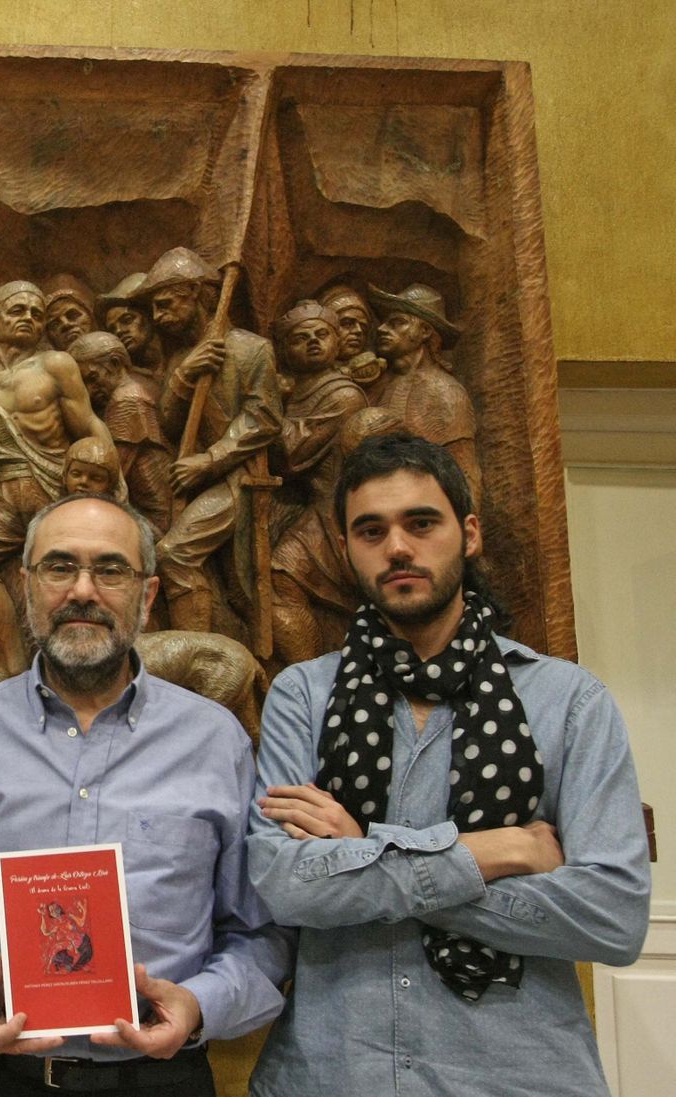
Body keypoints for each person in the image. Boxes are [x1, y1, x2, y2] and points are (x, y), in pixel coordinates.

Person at [248, 432, 650, 1096]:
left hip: (517, 1076)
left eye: (421, 522)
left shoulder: (569, 700)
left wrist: (363, 851)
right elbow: (289, 884)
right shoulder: (304, 695)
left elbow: (612, 916)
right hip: (334, 1073)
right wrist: (494, 851)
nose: (398, 546)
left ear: (468, 533)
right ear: (346, 550)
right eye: (371, 530)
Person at [0, 493, 289, 1096]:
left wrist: (200, 1006)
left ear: (146, 595)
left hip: (159, 1078)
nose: (83, 591)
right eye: (60, 566)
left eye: (111, 569)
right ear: (28, 588)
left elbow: (261, 931)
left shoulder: (216, 741)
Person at [0, 282, 116, 676]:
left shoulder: (55, 365)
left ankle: (80, 662)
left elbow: (90, 427)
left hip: (52, 492)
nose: (29, 319)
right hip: (7, 496)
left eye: (37, 314)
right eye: (18, 310)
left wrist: (112, 493)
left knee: (64, 575)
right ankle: (11, 663)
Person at [149, 247, 282, 633]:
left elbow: (264, 419)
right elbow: (169, 425)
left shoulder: (250, 349)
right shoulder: (182, 359)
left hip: (239, 479)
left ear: (195, 293)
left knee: (175, 556)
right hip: (200, 481)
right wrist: (182, 377)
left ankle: (199, 652)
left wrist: (208, 461)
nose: (158, 317)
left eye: (166, 304)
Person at [266, 300, 368, 664]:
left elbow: (292, 453)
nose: (312, 342)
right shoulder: (304, 390)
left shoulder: (343, 395)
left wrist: (268, 402)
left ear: (337, 341)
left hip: (333, 512)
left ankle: (306, 672)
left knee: (281, 575)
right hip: (305, 507)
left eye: (321, 335)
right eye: (300, 338)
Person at [369, 282, 482, 504]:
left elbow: (466, 477)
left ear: (425, 331)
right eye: (384, 322)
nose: (382, 329)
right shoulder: (382, 386)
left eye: (397, 323)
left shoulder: (446, 393)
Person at [68, 330, 172, 535]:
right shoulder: (142, 386)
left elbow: (107, 476)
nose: (89, 391)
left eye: (92, 378)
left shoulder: (127, 400)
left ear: (115, 364)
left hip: (153, 523)